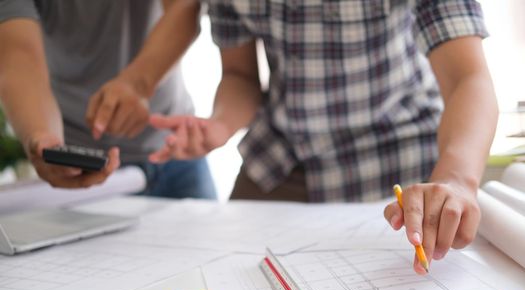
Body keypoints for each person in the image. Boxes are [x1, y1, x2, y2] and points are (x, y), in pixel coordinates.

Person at [148, 0, 498, 274]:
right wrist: (219, 126)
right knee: (223, 266)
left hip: (398, 151)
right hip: (284, 155)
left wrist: (456, 178)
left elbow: (467, 79)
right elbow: (239, 75)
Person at [0, 0, 216, 199]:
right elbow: (19, 55)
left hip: (173, 148)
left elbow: (185, 6)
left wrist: (137, 84)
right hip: (78, 162)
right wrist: (40, 136)